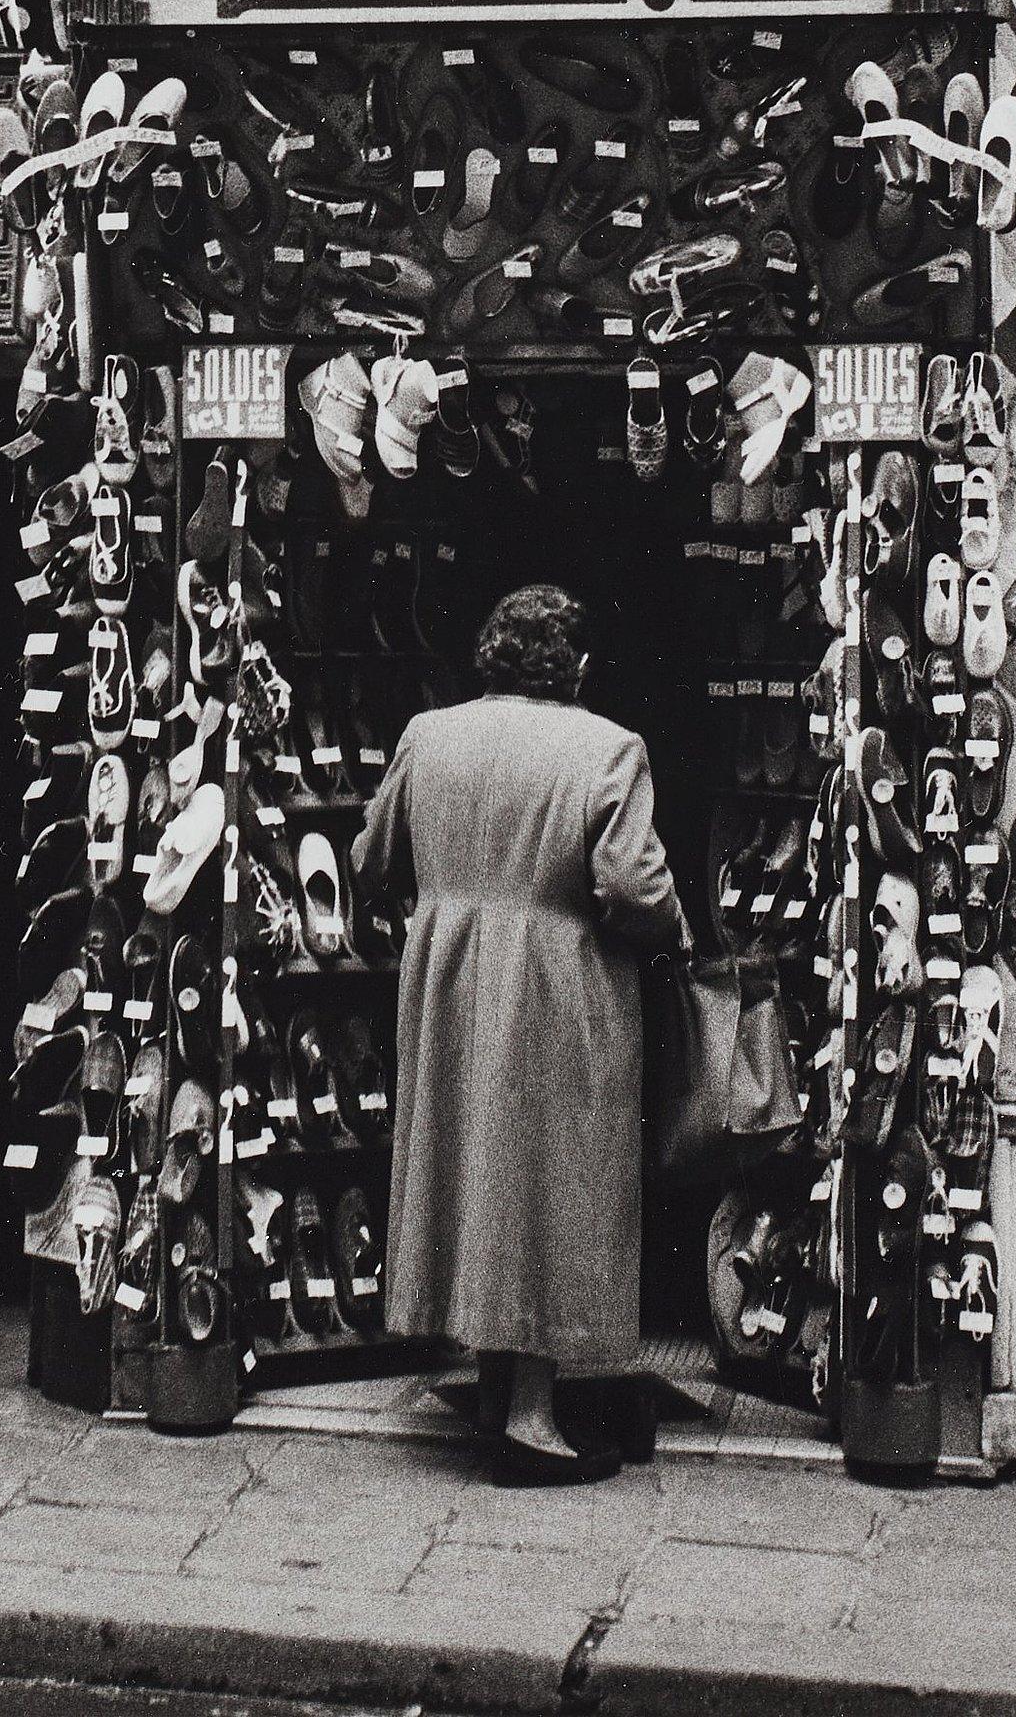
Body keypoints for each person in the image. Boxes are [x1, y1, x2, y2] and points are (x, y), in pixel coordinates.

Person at [351, 581, 692, 1485]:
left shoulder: (432, 737)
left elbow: (371, 858)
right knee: (548, 1178)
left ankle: (498, 1392)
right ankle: (533, 1420)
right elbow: (632, 888)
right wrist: (675, 934)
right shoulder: (608, 749)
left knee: (482, 1175)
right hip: (558, 988)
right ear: (579, 669)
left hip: (452, 986)